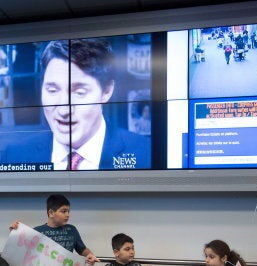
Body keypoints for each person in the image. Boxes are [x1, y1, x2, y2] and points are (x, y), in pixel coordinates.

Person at [8, 39, 151, 170]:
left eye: (79, 92)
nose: (64, 110)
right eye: (52, 90)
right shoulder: (14, 156)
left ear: (106, 91)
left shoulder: (147, 153)